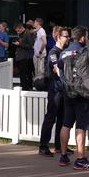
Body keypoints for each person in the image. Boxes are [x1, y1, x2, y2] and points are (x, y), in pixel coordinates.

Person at [58, 26, 89, 170]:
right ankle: (80, 159)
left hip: (67, 92)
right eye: (86, 36)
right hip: (81, 93)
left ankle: (63, 155)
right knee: (81, 126)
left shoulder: (63, 53)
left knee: (66, 123)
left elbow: (59, 68)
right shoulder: (84, 52)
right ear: (82, 37)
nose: (87, 38)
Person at [38, 26, 68, 157]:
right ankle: (43, 146)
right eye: (66, 36)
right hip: (55, 89)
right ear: (58, 37)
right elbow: (56, 69)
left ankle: (58, 146)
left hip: (63, 90)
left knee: (62, 118)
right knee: (51, 117)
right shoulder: (53, 52)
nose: (68, 38)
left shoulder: (65, 51)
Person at [13, 23, 34, 87]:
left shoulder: (27, 33)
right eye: (16, 31)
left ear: (21, 27)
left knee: (25, 73)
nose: (17, 32)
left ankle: (26, 86)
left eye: (18, 30)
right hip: (21, 56)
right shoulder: (21, 34)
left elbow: (30, 45)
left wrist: (19, 44)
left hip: (26, 57)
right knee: (22, 73)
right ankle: (24, 85)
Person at [32, 18, 47, 90]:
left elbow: (44, 42)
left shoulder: (42, 31)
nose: (33, 24)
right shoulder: (38, 31)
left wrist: (40, 52)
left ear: (37, 23)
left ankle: (40, 88)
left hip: (40, 55)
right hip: (36, 55)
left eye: (34, 22)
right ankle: (38, 86)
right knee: (37, 72)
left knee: (40, 72)